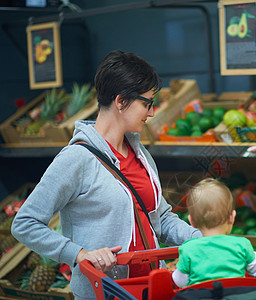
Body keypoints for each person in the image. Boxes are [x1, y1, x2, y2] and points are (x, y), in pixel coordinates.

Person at [11, 50, 202, 299]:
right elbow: (24, 223)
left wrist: (199, 239)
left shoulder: (140, 153)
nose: (152, 112)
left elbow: (160, 219)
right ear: (121, 101)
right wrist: (79, 254)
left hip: (154, 288)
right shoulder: (77, 159)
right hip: (106, 293)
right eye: (146, 103)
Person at [172, 178, 256, 288]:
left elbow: (179, 282)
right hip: (234, 295)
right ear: (232, 217)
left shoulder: (188, 249)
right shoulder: (242, 245)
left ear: (191, 221)